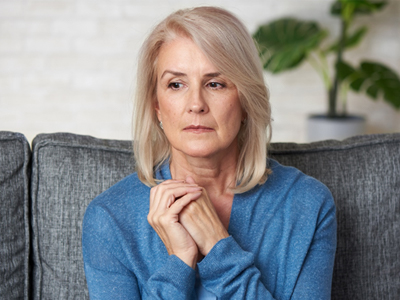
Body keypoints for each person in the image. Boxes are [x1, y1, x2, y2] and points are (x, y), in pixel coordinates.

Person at [82, 6, 336, 299]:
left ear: (245, 102)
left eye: (215, 83)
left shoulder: (308, 205)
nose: (196, 104)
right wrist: (178, 263)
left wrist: (217, 246)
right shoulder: (109, 218)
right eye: (176, 84)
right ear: (157, 107)